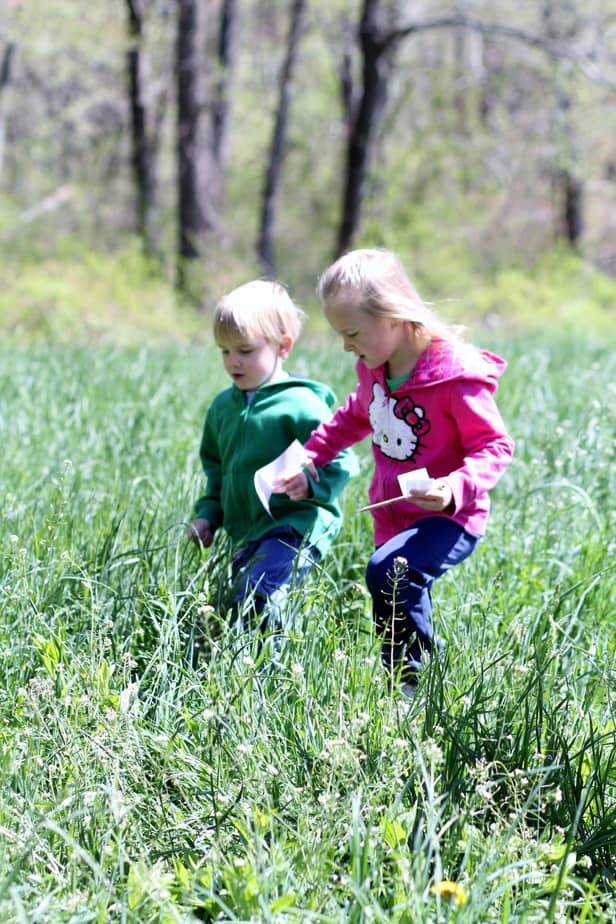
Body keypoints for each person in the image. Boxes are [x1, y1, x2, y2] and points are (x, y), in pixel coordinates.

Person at [276, 249, 514, 696]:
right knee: (390, 588)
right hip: (396, 516)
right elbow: (353, 415)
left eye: (352, 333)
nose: (346, 345)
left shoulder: (454, 377)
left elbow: (495, 446)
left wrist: (454, 487)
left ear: (393, 316)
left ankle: (416, 687)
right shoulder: (375, 369)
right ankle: (403, 688)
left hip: (451, 515)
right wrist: (313, 457)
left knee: (390, 572)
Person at [187, 278, 357, 640]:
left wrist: (310, 482)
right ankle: (246, 662)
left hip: (295, 524)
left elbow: (341, 460)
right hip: (246, 530)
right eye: (224, 351)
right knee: (239, 601)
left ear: (283, 346)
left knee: (260, 591)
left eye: (245, 351)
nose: (233, 361)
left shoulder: (301, 405)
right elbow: (216, 471)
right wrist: (207, 516)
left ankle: (271, 672)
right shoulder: (222, 408)